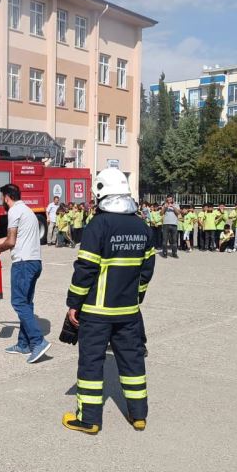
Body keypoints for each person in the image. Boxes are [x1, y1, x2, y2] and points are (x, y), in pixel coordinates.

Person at [62, 168, 154, 435]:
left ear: (101, 191)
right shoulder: (141, 226)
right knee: (133, 361)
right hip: (129, 311)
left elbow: (86, 268)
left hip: (96, 311)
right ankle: (138, 416)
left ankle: (89, 419)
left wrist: (73, 303)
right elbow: (147, 269)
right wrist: (137, 297)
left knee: (91, 362)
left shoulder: (98, 225)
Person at [0, 184, 51, 364]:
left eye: (2, 197)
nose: (2, 201)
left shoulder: (14, 211)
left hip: (23, 264)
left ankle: (38, 341)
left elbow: (10, 240)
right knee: (26, 303)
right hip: (34, 262)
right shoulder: (28, 211)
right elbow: (12, 239)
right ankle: (23, 344)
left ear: (7, 197)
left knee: (18, 302)